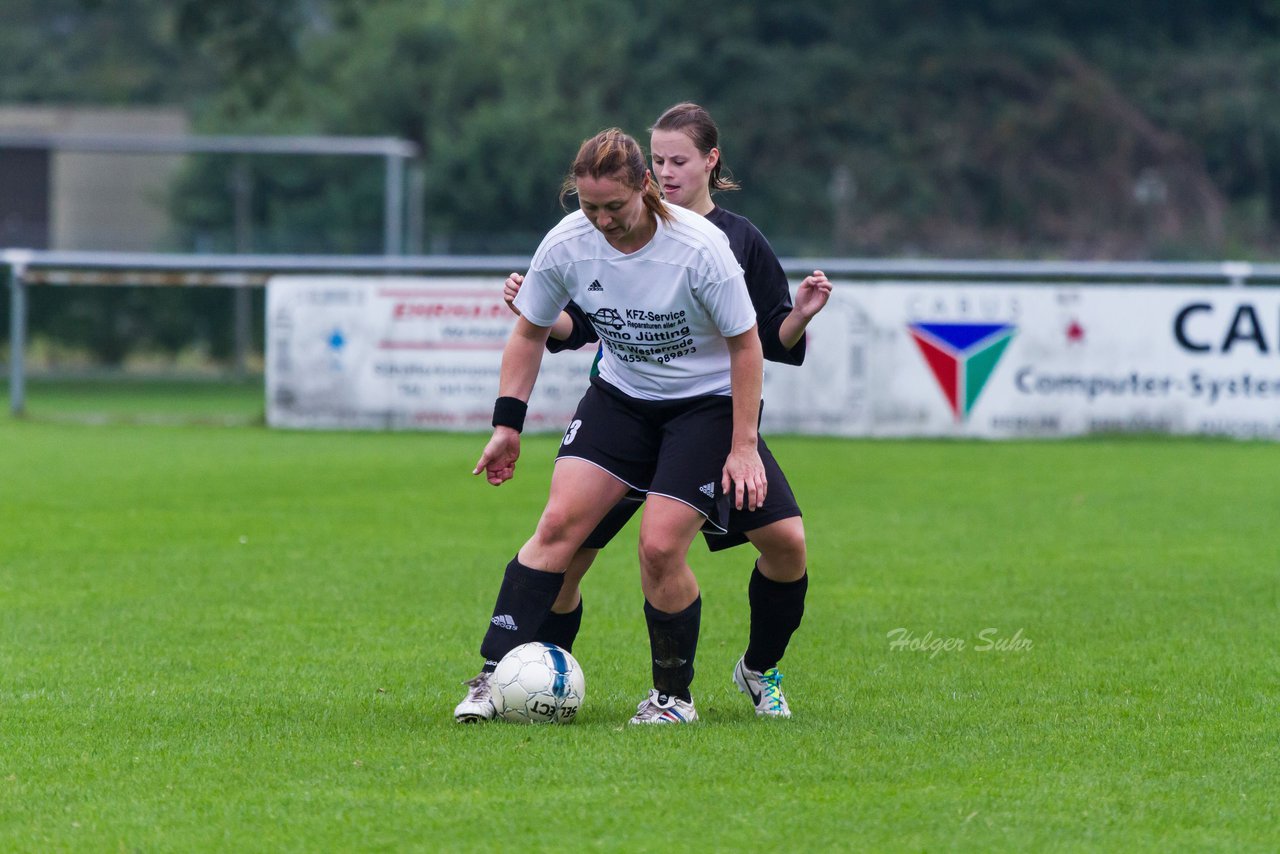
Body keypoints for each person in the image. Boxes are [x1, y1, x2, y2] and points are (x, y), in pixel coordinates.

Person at [502, 102, 832, 718]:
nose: (668, 170)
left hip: (706, 419)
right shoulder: (608, 231)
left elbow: (761, 344)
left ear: (710, 161)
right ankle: (529, 684)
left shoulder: (730, 242)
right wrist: (541, 313)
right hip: (626, 413)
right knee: (564, 553)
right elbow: (580, 331)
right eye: (658, 158)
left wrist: (798, 320)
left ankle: (759, 668)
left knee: (786, 543)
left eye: (678, 160)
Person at [454, 127, 767, 725]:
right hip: (621, 398)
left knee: (658, 546)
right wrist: (507, 424)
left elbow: (746, 346)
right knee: (556, 527)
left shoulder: (699, 247)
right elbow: (529, 330)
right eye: (588, 206)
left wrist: (743, 445)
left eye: (614, 207)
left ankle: (673, 699)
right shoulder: (568, 243)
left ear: (645, 187)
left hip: (703, 406)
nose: (601, 220)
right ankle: (494, 678)